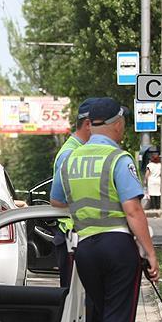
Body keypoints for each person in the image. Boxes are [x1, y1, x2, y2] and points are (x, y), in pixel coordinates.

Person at [50, 97, 158, 322]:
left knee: (105, 320)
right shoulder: (118, 158)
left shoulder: (70, 159)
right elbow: (133, 210)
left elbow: (57, 201)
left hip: (85, 249)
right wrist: (150, 252)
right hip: (118, 246)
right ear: (116, 124)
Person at [52, 98, 94, 288]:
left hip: (80, 236)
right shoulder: (70, 154)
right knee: (73, 298)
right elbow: (58, 199)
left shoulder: (81, 151)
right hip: (72, 238)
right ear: (88, 124)